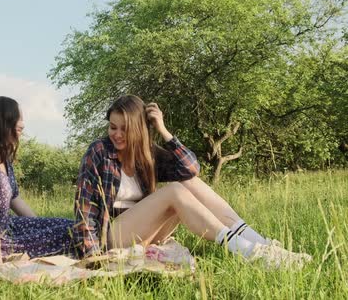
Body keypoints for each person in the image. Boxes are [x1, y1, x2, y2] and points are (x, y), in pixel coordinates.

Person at [72, 95, 312, 268]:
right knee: (174, 191)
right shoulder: (99, 152)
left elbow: (190, 169)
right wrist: (93, 258)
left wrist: (164, 131)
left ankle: (262, 244)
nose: (117, 134)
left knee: (189, 183)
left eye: (125, 129)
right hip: (111, 237)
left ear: (140, 130)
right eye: (113, 127)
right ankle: (248, 251)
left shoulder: (147, 153)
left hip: (145, 234)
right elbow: (84, 209)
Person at [0, 96, 73, 263]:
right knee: (70, 236)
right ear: (1, 124)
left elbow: (15, 199)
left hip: (9, 228)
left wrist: (41, 226)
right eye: (17, 119)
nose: (22, 124)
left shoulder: (2, 159)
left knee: (70, 226)